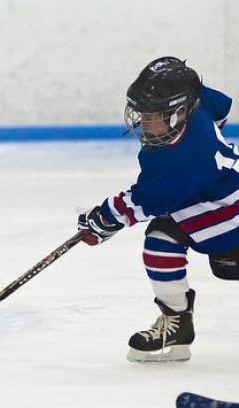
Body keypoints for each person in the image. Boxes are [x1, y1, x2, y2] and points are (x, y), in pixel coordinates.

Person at [77, 56, 239, 363]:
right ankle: (177, 323)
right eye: (143, 114)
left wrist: (103, 219)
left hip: (228, 212)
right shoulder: (196, 100)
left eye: (155, 116)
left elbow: (143, 200)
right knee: (162, 239)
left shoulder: (181, 159)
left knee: (169, 236)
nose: (145, 123)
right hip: (214, 198)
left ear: (180, 113)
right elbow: (222, 106)